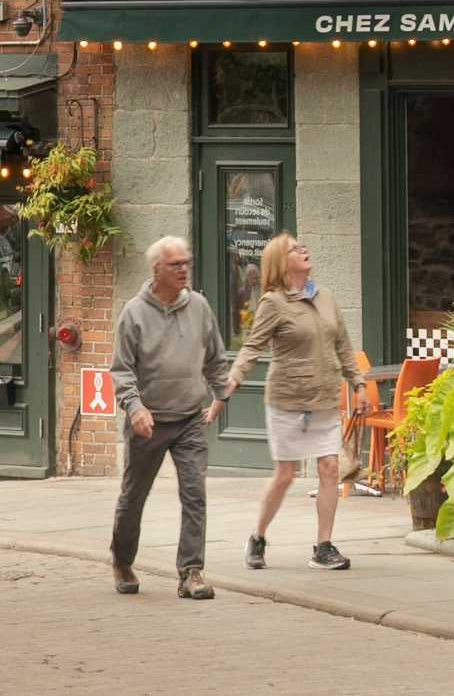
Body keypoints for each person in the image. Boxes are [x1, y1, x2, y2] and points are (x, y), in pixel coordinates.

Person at [208, 233, 367, 572]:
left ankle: (323, 547)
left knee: (329, 468)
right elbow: (252, 347)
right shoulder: (273, 303)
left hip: (323, 398)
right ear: (281, 263)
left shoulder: (325, 297)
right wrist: (228, 385)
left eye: (302, 246)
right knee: (284, 475)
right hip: (287, 400)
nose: (304, 249)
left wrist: (359, 383)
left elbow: (343, 344)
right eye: (295, 249)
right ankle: (258, 537)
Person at [109, 235, 230, 601]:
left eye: (186, 263)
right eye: (175, 264)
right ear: (156, 269)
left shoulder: (199, 307)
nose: (183, 270)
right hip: (148, 421)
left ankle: (191, 572)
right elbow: (121, 370)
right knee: (134, 495)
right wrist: (135, 407)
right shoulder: (133, 312)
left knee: (195, 494)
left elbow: (214, 356)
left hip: (190, 417)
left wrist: (221, 392)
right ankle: (122, 560)